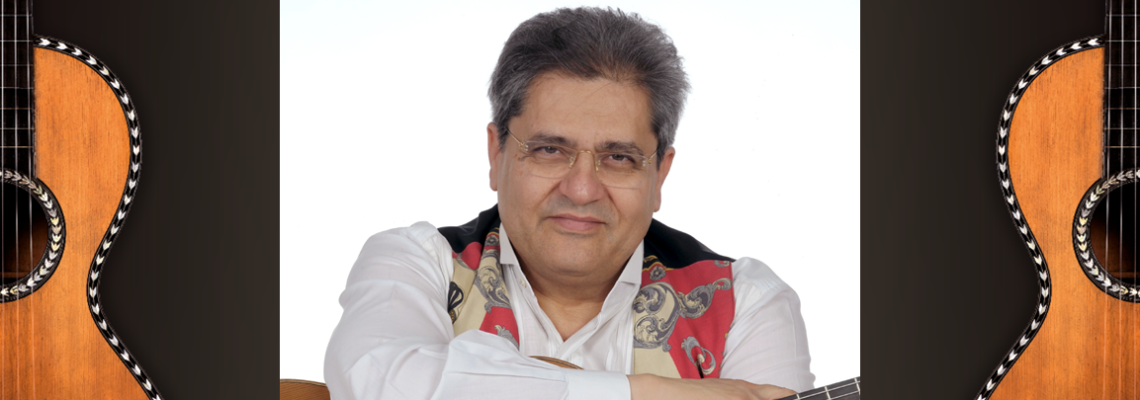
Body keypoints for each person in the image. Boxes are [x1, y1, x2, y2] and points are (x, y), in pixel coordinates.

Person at [324, 7, 813, 400]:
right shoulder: (417, 262)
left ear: (659, 176)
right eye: (549, 150)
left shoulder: (745, 304)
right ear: (497, 155)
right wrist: (643, 392)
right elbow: (377, 380)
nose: (581, 190)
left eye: (618, 158)